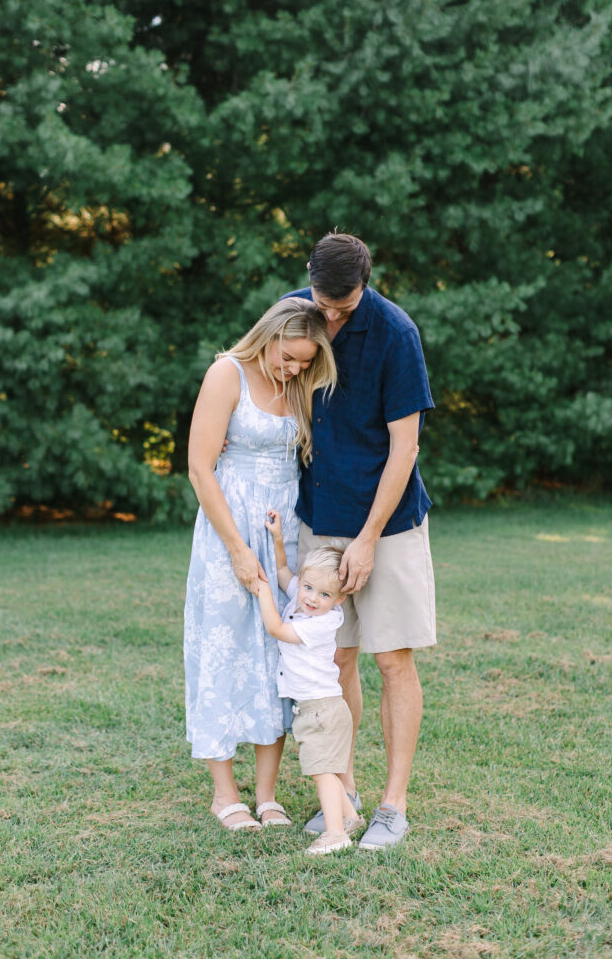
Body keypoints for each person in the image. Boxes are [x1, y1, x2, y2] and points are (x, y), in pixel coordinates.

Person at [286, 231, 436, 850]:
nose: (330, 316)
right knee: (333, 658)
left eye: (342, 308)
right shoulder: (296, 312)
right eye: (324, 302)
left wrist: (369, 538)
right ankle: (341, 795)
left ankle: (392, 805)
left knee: (392, 658)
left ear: (364, 287)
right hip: (318, 514)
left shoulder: (397, 334)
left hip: (388, 522)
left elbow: (406, 447)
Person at [184, 297, 336, 831]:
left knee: (276, 656)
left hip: (279, 534)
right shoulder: (226, 374)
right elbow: (201, 469)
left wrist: (269, 549)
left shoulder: (297, 384)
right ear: (269, 335)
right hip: (229, 531)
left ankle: (267, 795)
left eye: (304, 360)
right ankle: (225, 794)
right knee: (225, 648)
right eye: (289, 356)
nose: (294, 368)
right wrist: (238, 549)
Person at [257, 510, 366, 855]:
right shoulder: (301, 599)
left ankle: (335, 833)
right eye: (307, 588)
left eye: (322, 594)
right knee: (328, 772)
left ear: (338, 600)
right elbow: (283, 572)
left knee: (322, 772)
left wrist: (261, 591)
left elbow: (277, 629)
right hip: (316, 708)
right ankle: (349, 818)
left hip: (322, 710)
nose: (310, 598)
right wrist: (277, 539)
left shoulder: (320, 623)